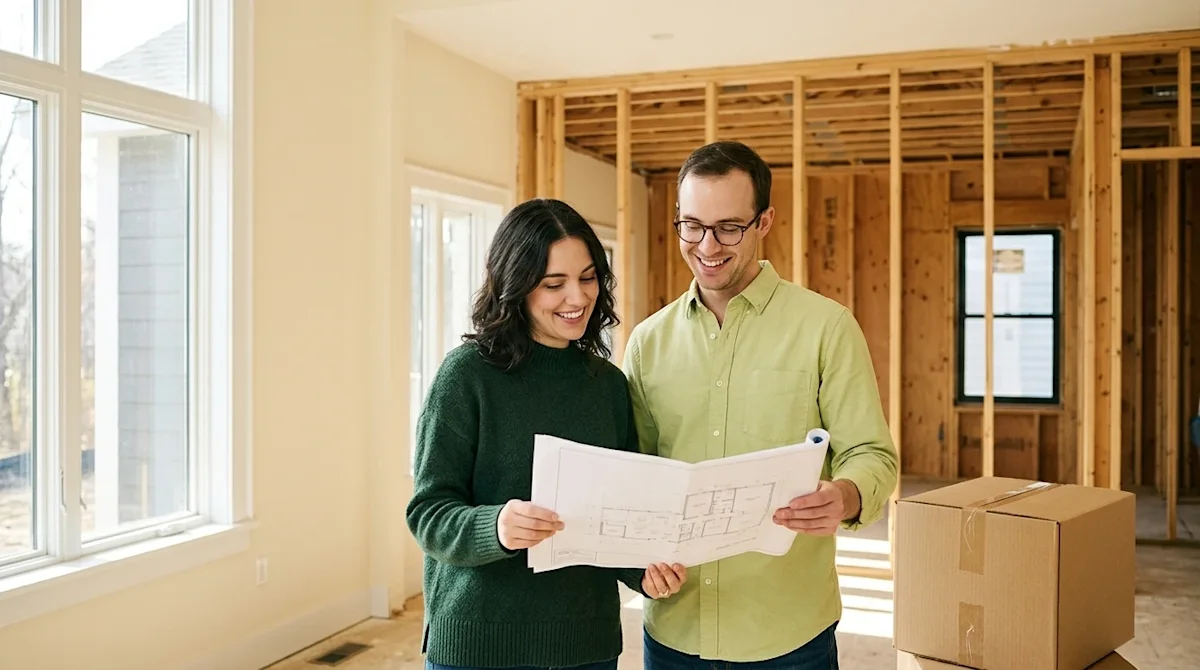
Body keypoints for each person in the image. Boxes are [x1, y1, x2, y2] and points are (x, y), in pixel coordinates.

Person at [622, 141, 898, 669]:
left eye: (729, 227)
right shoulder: (646, 342)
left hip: (789, 634)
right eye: (692, 225)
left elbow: (872, 453)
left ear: (764, 221)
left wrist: (845, 494)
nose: (707, 245)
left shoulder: (826, 327)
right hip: (675, 628)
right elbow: (639, 473)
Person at [405, 198, 688, 670]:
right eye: (554, 284)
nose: (577, 298)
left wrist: (645, 571)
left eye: (588, 277)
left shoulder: (607, 386)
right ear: (514, 285)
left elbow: (615, 517)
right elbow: (428, 514)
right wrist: (494, 526)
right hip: (478, 645)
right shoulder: (467, 377)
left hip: (585, 644)